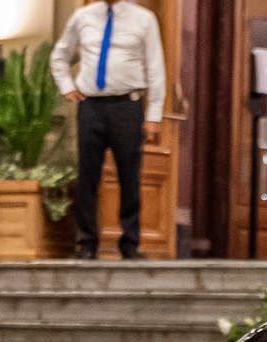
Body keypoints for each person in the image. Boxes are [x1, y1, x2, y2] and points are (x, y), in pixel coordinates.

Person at [51, 0, 166, 260]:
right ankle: (87, 243)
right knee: (87, 175)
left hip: (128, 104)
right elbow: (60, 54)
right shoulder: (82, 17)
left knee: (129, 175)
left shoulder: (144, 19)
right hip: (90, 105)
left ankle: (129, 244)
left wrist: (154, 115)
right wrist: (67, 85)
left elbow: (156, 68)